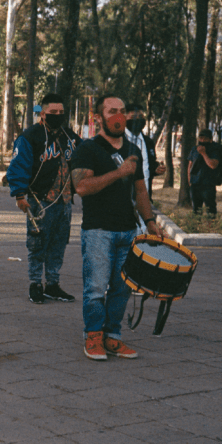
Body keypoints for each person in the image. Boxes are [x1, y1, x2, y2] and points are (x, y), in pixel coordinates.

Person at [71, 95, 164, 361]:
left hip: (128, 231)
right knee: (96, 287)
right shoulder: (88, 149)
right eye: (112, 111)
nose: (120, 116)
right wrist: (118, 173)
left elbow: (140, 190)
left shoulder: (132, 149)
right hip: (98, 230)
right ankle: (93, 337)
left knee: (123, 288)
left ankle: (113, 336)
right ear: (98, 117)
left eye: (123, 111)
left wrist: (150, 222)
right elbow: (81, 187)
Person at [7, 93, 82, 304]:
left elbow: (84, 157)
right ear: (43, 114)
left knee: (58, 245)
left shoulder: (71, 138)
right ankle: (35, 284)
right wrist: (20, 195)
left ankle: (53, 284)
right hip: (40, 200)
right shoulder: (31, 137)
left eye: (61, 112)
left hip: (65, 201)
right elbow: (18, 166)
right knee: (37, 243)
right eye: (53, 113)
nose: (57, 116)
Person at [125, 104, 165, 201]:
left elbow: (148, 165)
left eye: (141, 117)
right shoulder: (118, 140)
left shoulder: (148, 142)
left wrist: (156, 168)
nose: (138, 120)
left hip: (145, 199)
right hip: (124, 200)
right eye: (133, 117)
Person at [187, 129, 222, 217]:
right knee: (196, 210)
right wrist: (189, 181)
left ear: (210, 140)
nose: (202, 141)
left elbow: (213, 165)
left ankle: (211, 228)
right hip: (195, 183)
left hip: (208, 184)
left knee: (210, 210)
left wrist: (204, 153)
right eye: (201, 138)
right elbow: (190, 165)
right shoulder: (195, 149)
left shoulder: (215, 149)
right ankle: (195, 228)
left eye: (205, 138)